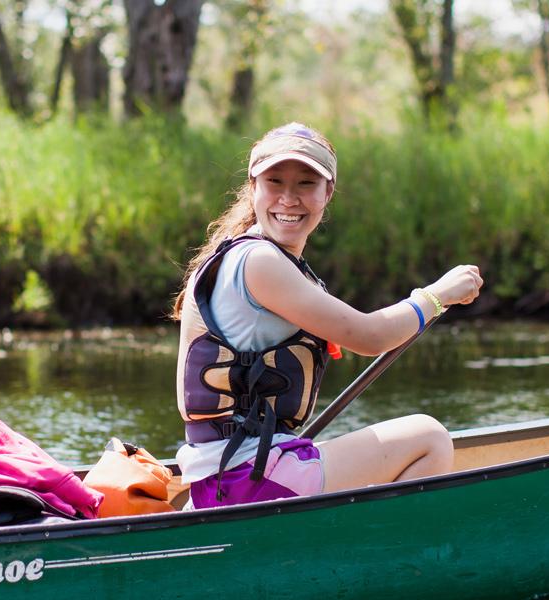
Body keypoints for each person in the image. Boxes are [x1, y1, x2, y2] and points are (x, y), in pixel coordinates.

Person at [173, 122, 484, 509]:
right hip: (248, 481)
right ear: (253, 188)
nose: (289, 198)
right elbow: (370, 337)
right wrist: (437, 296)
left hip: (228, 480)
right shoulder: (259, 261)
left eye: (306, 183)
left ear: (327, 192)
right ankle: (383, 555)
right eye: (275, 181)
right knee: (430, 437)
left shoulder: (248, 253)